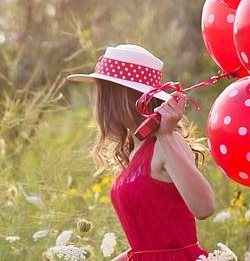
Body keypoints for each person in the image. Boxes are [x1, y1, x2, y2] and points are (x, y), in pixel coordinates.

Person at [67, 44, 215, 261]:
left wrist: (164, 135)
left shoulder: (167, 141)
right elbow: (148, 243)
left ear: (117, 97)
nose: (98, 104)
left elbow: (205, 207)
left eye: (102, 93)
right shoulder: (135, 149)